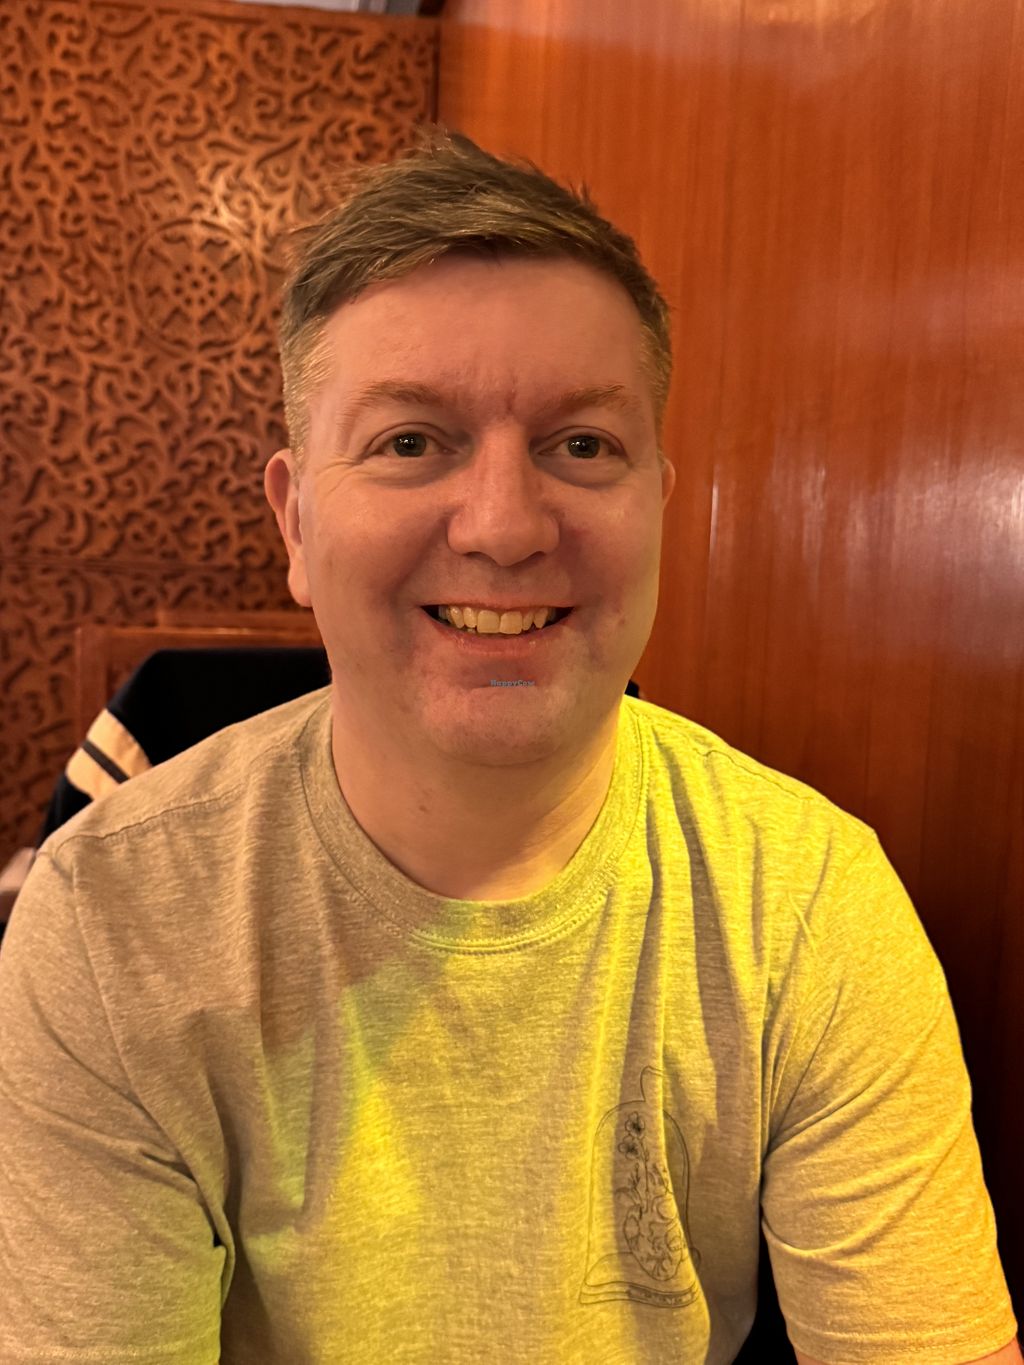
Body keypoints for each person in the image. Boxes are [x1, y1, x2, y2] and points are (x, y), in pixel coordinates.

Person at [0, 125, 1018, 1365]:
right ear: (297, 522)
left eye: (580, 445)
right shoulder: (108, 925)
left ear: (655, 505)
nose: (502, 525)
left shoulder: (811, 903)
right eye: (410, 441)